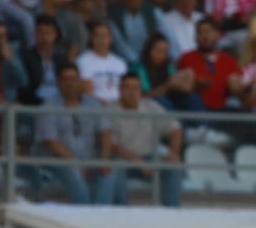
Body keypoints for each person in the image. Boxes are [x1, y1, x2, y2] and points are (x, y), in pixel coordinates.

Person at [33, 63, 117, 205]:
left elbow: (106, 131)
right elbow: (51, 142)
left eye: (73, 79)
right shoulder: (49, 106)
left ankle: (100, 214)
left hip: (90, 158)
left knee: (110, 171)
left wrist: (104, 159)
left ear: (79, 81)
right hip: (59, 161)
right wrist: (76, 164)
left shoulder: (92, 103)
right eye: (65, 79)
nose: (70, 83)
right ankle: (83, 214)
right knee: (74, 172)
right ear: (58, 82)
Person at [110, 73, 184, 207]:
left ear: (140, 91)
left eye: (135, 88)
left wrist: (173, 152)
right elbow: (113, 145)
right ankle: (120, 211)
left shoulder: (150, 106)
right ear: (119, 90)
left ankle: (172, 213)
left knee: (174, 165)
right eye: (127, 88)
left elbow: (175, 129)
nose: (131, 92)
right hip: (123, 160)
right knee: (116, 166)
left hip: (150, 157)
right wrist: (138, 162)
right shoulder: (110, 110)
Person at [177, 17, 243, 111]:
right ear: (195, 37)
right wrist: (195, 86)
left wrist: (242, 89)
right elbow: (180, 90)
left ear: (217, 35)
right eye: (201, 32)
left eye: (209, 31)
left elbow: (237, 88)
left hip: (224, 111)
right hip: (197, 111)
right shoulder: (186, 58)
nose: (205, 36)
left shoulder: (229, 60)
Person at [77, 22, 130, 105]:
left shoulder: (120, 63)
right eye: (97, 36)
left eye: (104, 36)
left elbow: (126, 88)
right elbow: (87, 91)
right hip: (96, 107)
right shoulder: (83, 61)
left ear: (110, 38)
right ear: (91, 38)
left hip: (120, 107)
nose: (101, 40)